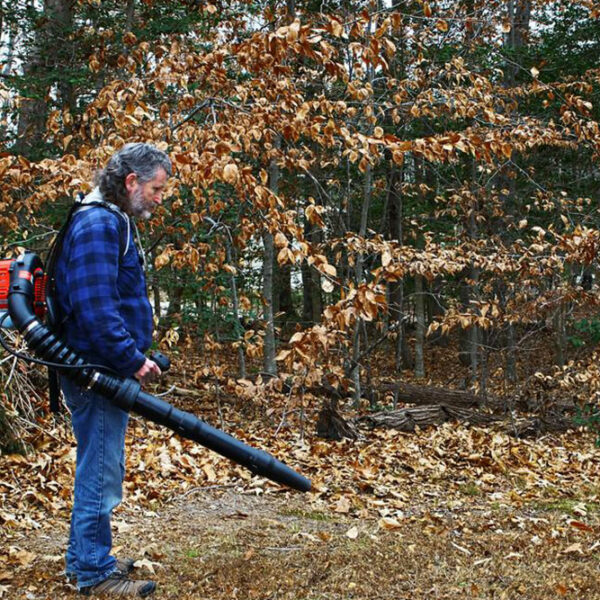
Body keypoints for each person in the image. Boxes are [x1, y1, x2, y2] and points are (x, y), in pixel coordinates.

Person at [55, 143, 171, 597]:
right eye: (156, 189)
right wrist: (131, 359)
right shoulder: (99, 222)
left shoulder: (109, 219)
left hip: (101, 366)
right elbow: (95, 310)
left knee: (99, 466)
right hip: (96, 370)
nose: (160, 198)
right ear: (131, 182)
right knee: (101, 472)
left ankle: (84, 557)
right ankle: (94, 573)